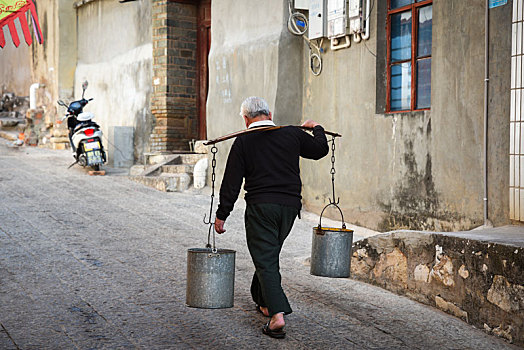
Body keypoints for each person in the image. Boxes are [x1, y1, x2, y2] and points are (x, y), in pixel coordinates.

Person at [214, 96, 329, 339]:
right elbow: (320, 149)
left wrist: (222, 215)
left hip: (261, 208)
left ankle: (277, 315)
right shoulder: (291, 134)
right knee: (267, 254)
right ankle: (264, 302)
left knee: (265, 259)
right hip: (289, 208)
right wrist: (315, 127)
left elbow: (231, 182)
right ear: (269, 113)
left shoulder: (244, 141)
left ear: (246, 119)